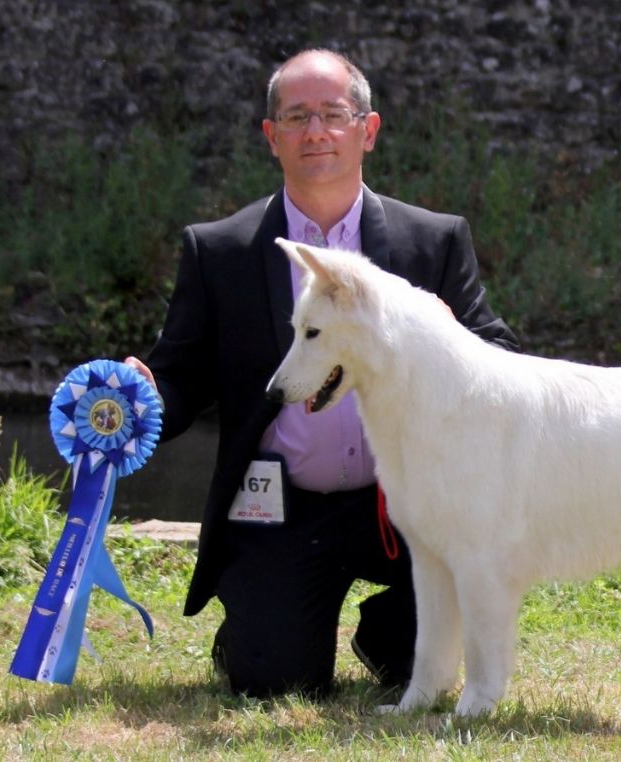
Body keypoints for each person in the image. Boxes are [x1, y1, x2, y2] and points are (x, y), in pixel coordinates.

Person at [125, 48, 518, 698]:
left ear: (367, 130)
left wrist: (452, 334)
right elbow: (181, 379)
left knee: (422, 653)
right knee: (273, 678)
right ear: (271, 136)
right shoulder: (220, 249)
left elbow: (501, 363)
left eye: (333, 115)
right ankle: (258, 622)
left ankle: (386, 633)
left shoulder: (435, 240)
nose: (316, 132)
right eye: (297, 117)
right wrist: (135, 399)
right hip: (280, 505)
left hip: (403, 502)